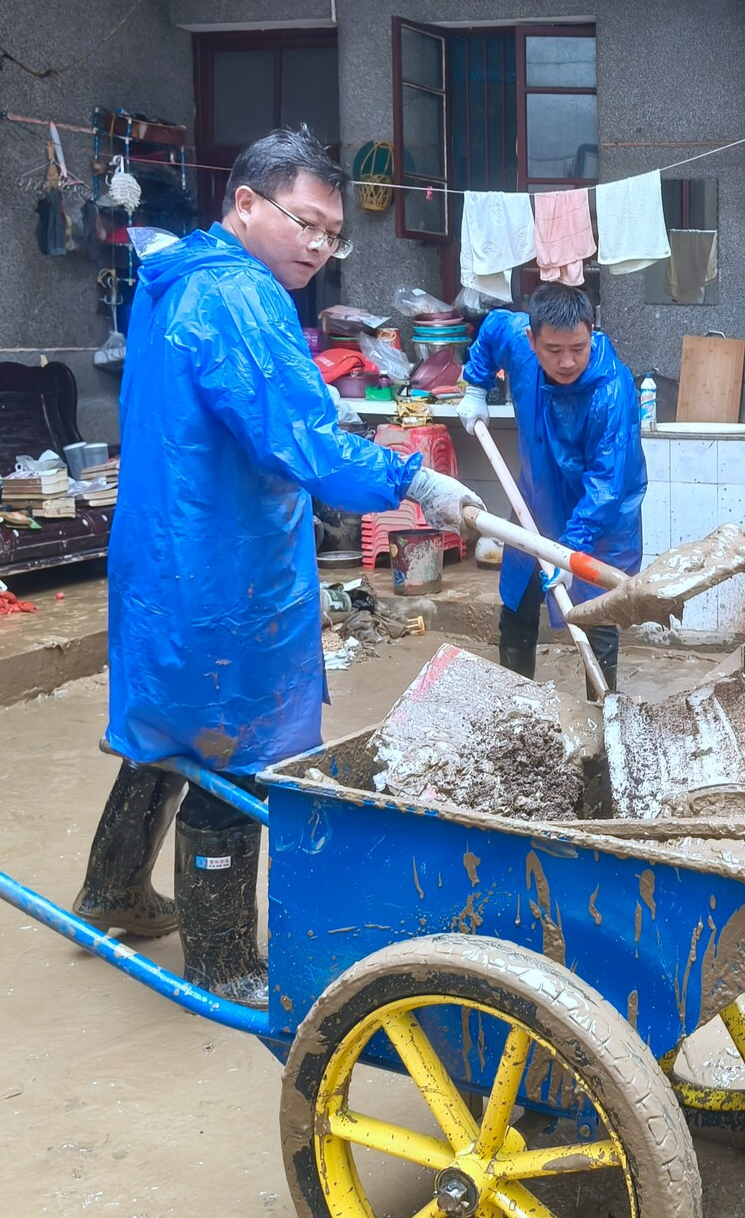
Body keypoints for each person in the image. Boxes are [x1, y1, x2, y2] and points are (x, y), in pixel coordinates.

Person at [70, 128, 484, 1009]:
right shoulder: (239, 298)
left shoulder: (174, 280)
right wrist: (415, 478)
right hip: (224, 571)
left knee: (165, 729)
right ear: (246, 203)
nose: (318, 245)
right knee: (237, 748)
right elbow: (305, 445)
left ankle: (110, 891)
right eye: (305, 222)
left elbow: (250, 411)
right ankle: (222, 959)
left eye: (332, 235)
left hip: (162, 558)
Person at [457, 283, 645, 692]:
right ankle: (517, 712)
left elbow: (606, 486)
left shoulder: (611, 392)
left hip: (598, 522)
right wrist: (475, 385)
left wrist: (568, 551)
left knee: (597, 615)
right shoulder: (518, 341)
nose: (567, 361)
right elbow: (491, 328)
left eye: (578, 348)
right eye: (554, 350)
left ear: (593, 334)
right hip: (536, 504)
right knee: (519, 607)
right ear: (532, 339)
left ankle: (601, 713)